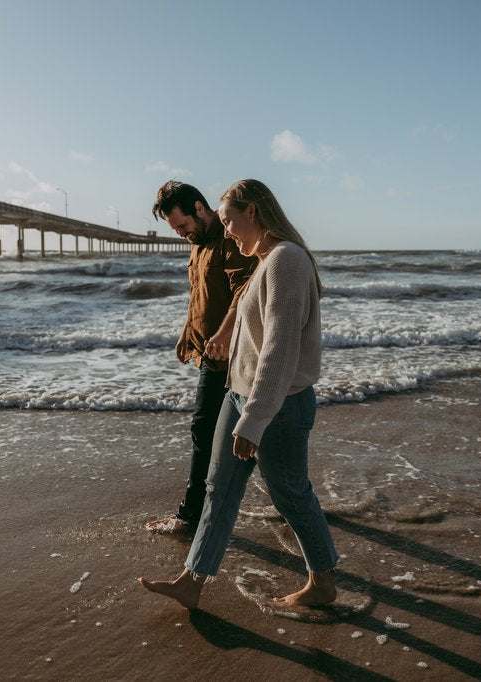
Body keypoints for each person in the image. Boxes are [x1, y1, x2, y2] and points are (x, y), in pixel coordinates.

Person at [139, 179, 337, 609]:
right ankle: (191, 581)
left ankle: (322, 580)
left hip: (278, 403)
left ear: (253, 212)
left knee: (290, 495)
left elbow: (280, 349)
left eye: (229, 220)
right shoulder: (265, 260)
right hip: (239, 394)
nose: (226, 230)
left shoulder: (286, 260)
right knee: (219, 487)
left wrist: (255, 418)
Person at [146, 181, 256, 534]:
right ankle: (292, 502)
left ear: (198, 208)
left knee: (207, 430)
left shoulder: (229, 238)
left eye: (182, 225)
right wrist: (186, 331)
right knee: (240, 434)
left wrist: (223, 333)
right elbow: (198, 292)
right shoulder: (197, 244)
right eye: (175, 229)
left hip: (233, 356)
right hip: (209, 351)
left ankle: (189, 516)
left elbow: (244, 291)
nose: (181, 234)